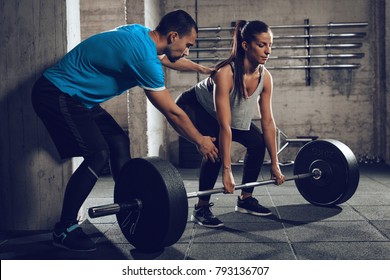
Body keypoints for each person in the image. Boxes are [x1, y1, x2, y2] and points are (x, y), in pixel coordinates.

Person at [31, 9, 218, 252]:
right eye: (187, 45)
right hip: (57, 92)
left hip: (81, 99)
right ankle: (64, 228)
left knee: (119, 141)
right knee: (98, 153)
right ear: (173, 36)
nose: (187, 51)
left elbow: (166, 59)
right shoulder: (143, 58)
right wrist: (199, 140)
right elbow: (172, 112)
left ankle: (129, 204)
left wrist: (202, 70)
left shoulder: (142, 35)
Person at [176, 20, 286, 228]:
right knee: (214, 149)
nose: (268, 51)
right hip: (194, 107)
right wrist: (227, 171)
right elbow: (225, 126)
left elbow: (268, 122)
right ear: (246, 46)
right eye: (262, 45)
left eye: (270, 45)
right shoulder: (226, 73)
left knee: (257, 143)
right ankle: (201, 208)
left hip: (224, 114)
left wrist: (275, 163)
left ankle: (245, 199)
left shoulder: (265, 77)